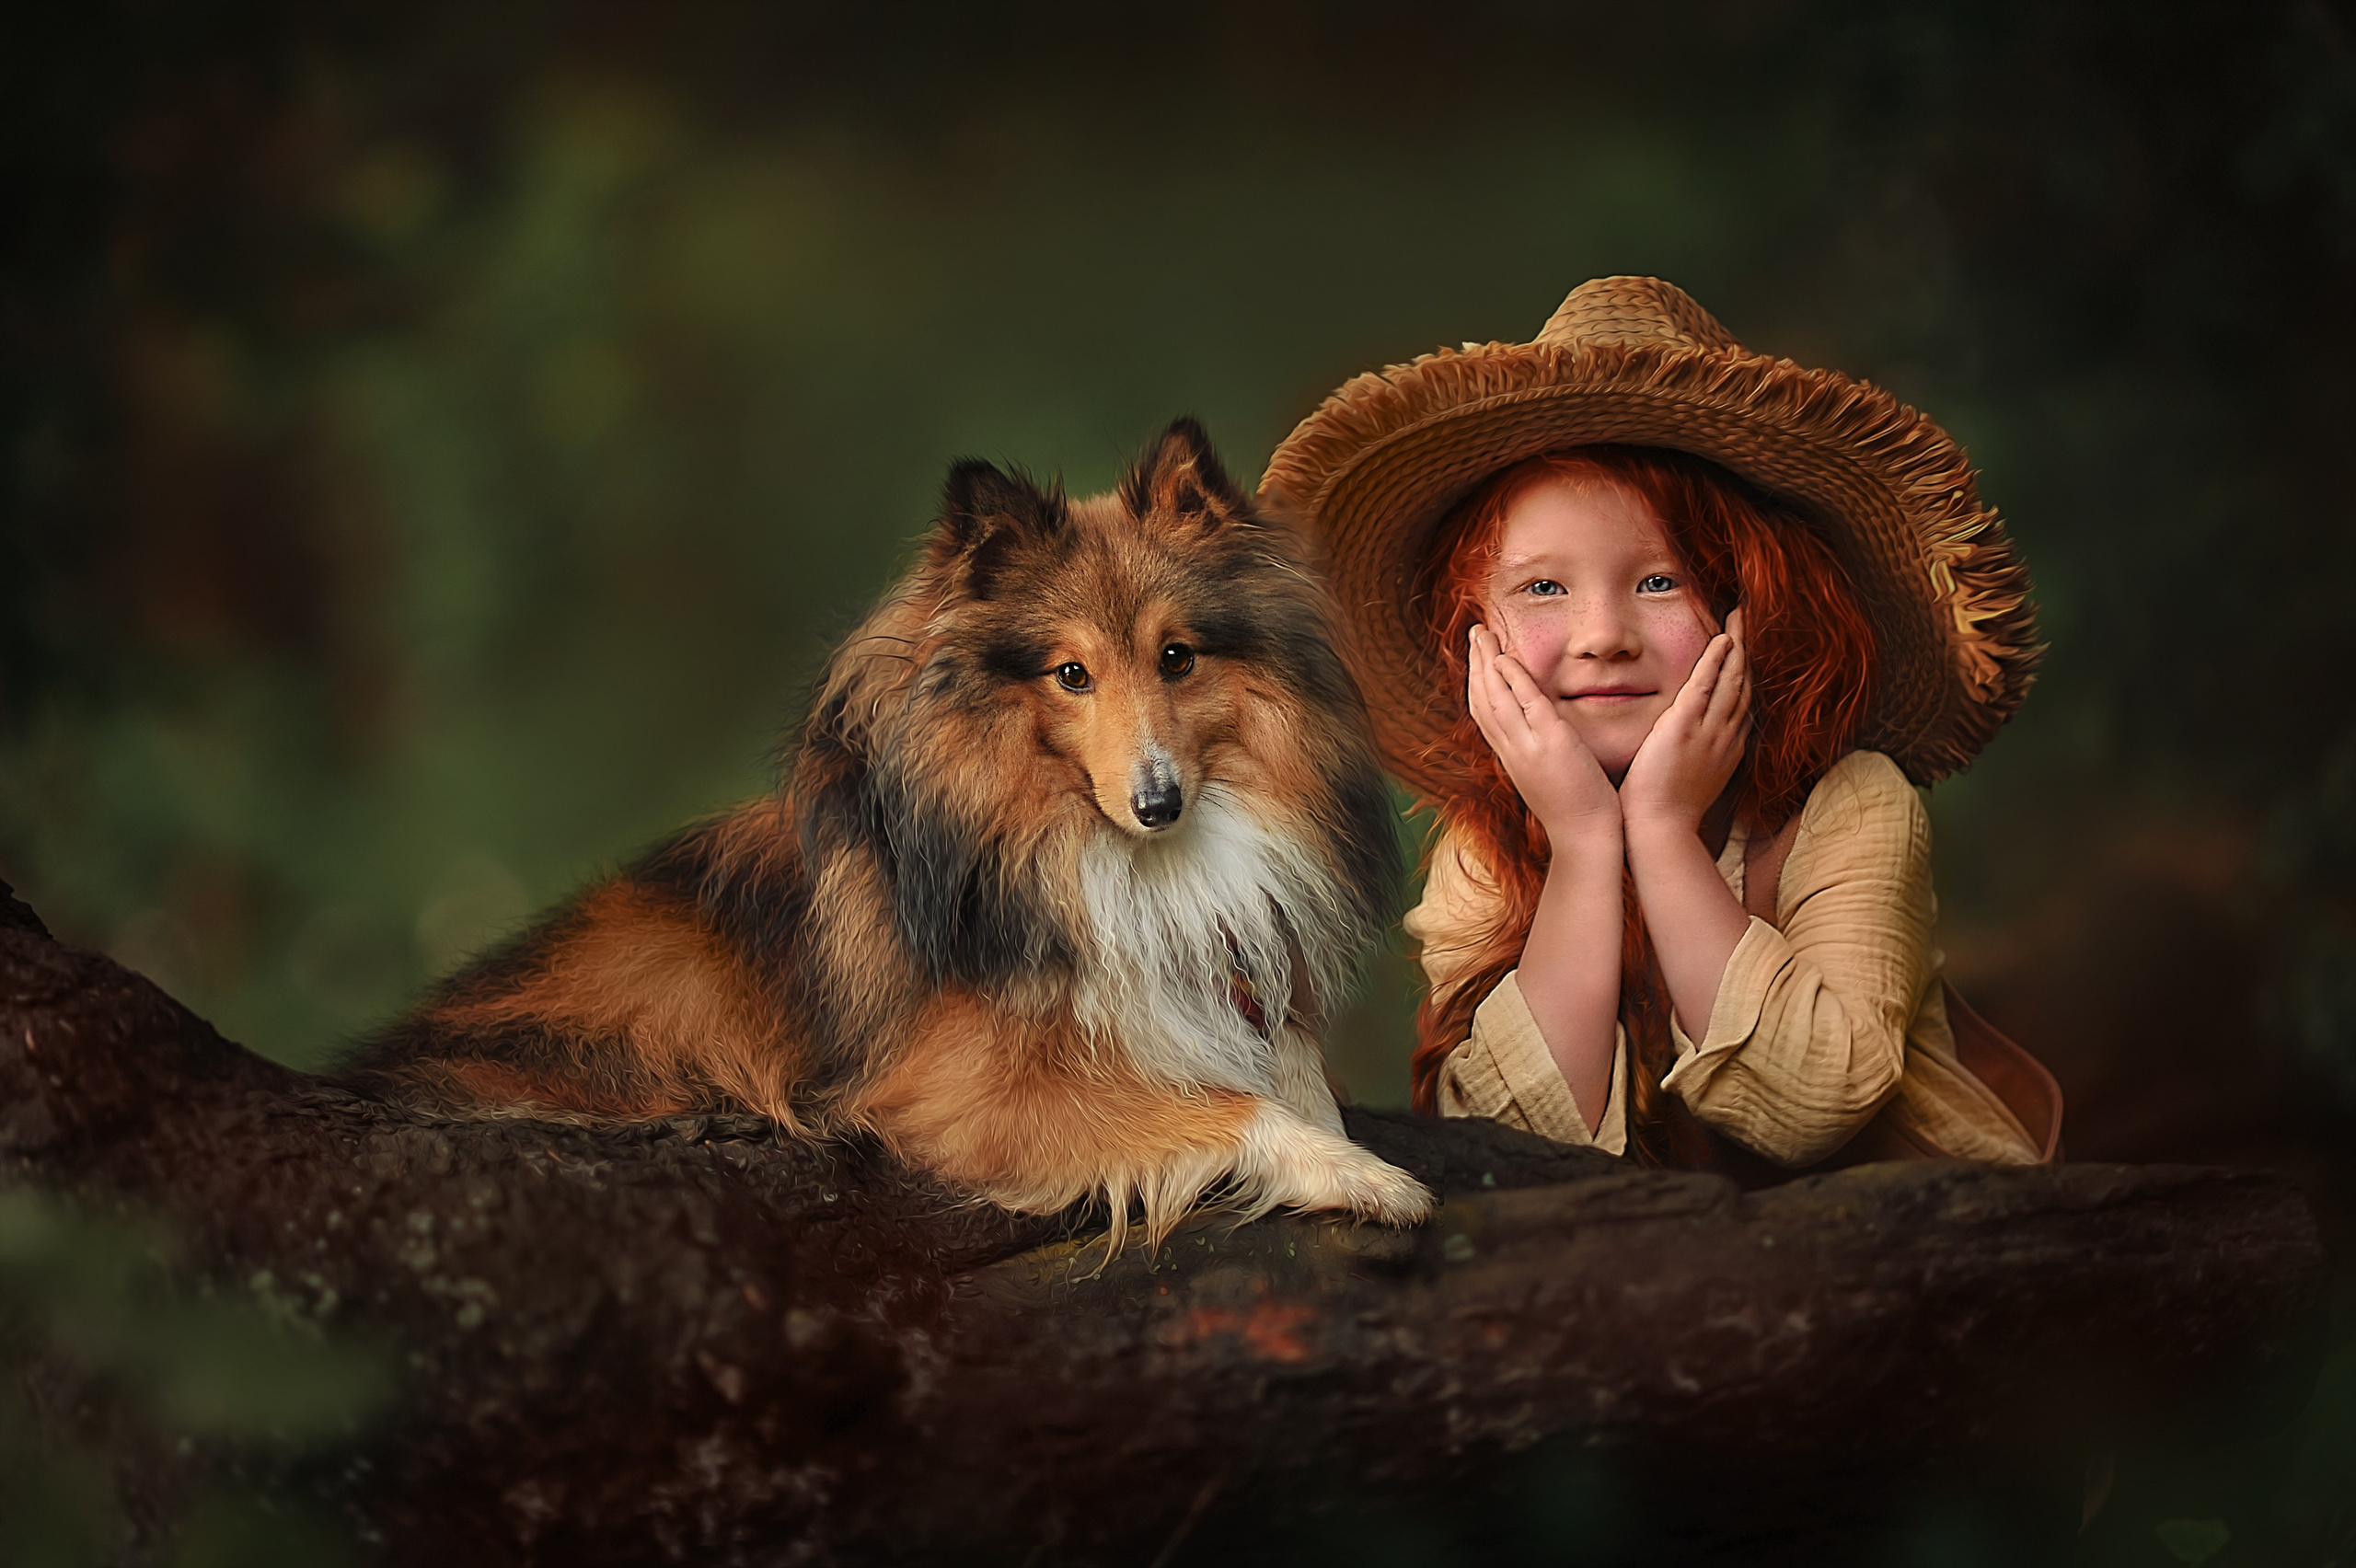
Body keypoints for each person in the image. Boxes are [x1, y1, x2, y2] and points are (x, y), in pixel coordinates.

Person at [1259, 276, 2059, 1172]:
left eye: (1658, 582)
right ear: (1475, 640)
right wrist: (1584, 843)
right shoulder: (1485, 850)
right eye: (1543, 588)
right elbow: (1514, 1155)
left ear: (1758, 609)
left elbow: (1815, 1107)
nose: (1603, 638)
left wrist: (1663, 831)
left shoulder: (1850, 807)